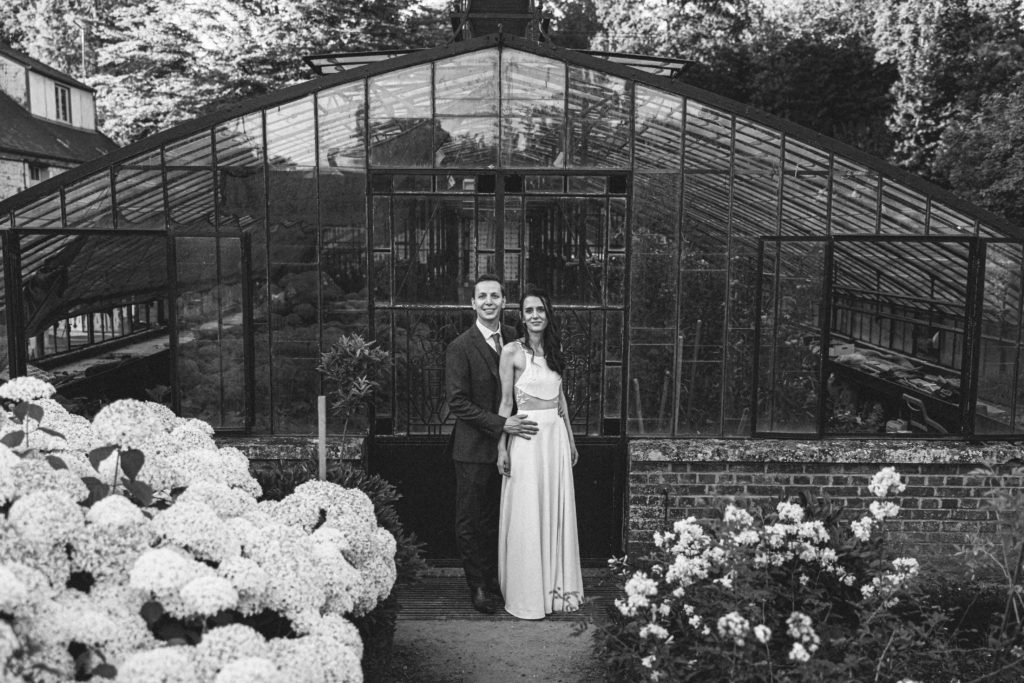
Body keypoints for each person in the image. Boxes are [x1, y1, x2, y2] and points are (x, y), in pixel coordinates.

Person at [445, 274, 539, 614]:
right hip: (472, 449)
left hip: (516, 445)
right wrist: (502, 423)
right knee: (472, 519)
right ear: (472, 303)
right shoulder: (460, 347)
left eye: (495, 296)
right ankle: (479, 587)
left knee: (505, 517)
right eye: (482, 296)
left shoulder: (516, 340)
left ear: (504, 302)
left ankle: (503, 580)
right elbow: (457, 402)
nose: (488, 301)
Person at [496, 287, 584, 619]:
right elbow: (506, 403)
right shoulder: (511, 352)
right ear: (521, 316)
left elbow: (561, 402)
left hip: (555, 439)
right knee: (529, 512)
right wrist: (501, 446)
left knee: (555, 509)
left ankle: (556, 590)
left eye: (541, 310)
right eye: (529, 310)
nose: (535, 315)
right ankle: (528, 593)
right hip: (527, 440)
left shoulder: (556, 350)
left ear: (548, 315)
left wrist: (572, 441)